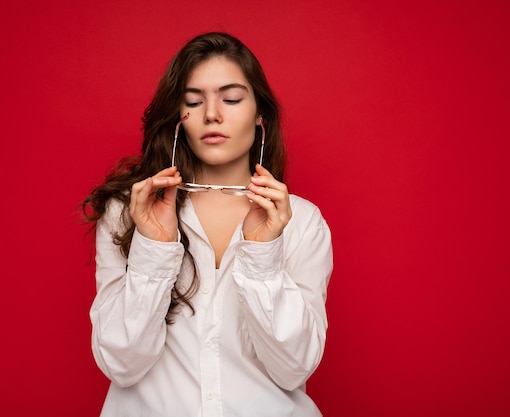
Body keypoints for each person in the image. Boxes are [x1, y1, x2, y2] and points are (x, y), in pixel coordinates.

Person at [82, 32, 333, 417]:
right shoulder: (130, 211)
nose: (212, 114)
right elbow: (121, 364)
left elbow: (295, 368)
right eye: (194, 101)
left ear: (259, 114)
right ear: (177, 117)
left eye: (231, 99)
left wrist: (263, 253)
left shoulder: (302, 223)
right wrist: (154, 248)